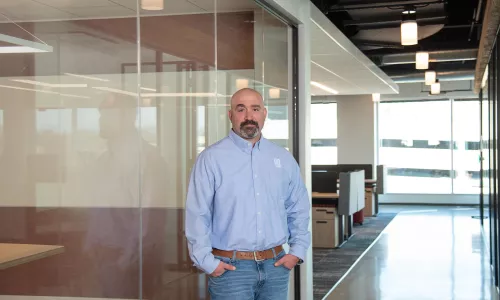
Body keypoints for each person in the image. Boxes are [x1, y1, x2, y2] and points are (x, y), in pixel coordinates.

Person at [185, 88, 311, 300]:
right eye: (241, 109)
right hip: (231, 270)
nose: (249, 116)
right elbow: (197, 214)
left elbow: (298, 208)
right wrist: (208, 263)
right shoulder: (211, 159)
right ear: (230, 115)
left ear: (264, 113)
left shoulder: (283, 158)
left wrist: (296, 251)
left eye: (255, 109)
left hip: (276, 266)